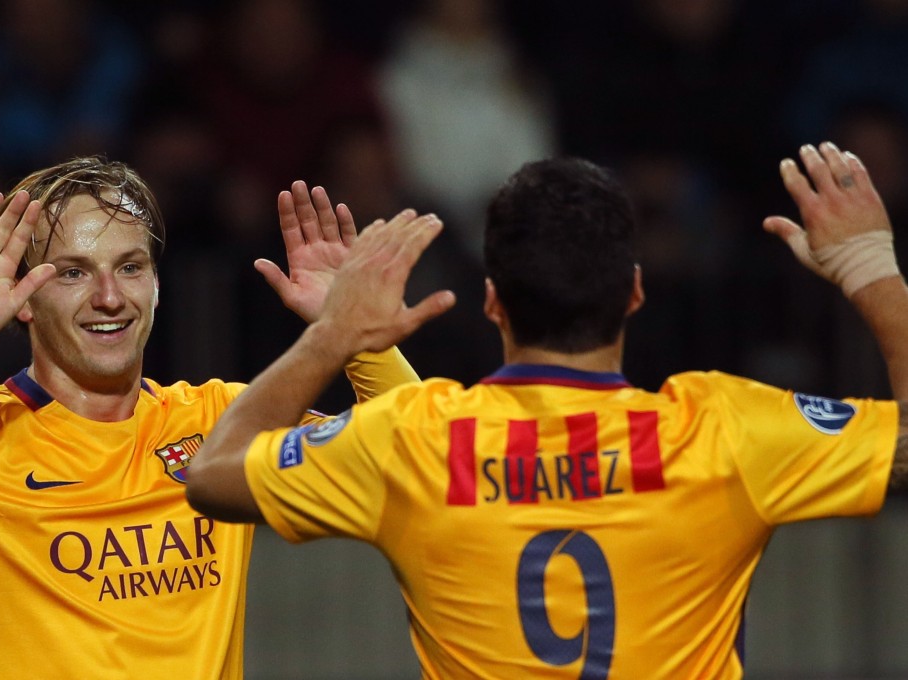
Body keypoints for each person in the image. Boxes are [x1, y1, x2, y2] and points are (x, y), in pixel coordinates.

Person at [185, 143, 908, 678]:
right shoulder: (726, 430)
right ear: (633, 291)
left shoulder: (414, 439)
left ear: (493, 299)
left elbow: (213, 473)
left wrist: (336, 337)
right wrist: (873, 269)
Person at [0, 156, 418, 679]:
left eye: (130, 267)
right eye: (74, 272)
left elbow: (420, 459)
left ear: (156, 285)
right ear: (23, 298)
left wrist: (356, 336)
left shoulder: (223, 424)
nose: (110, 298)